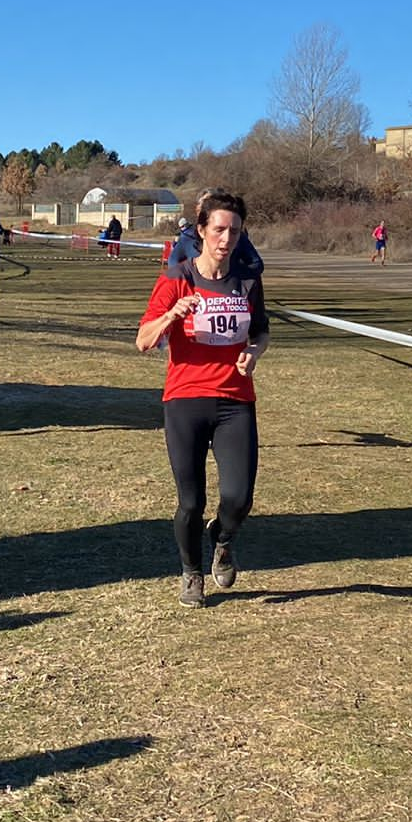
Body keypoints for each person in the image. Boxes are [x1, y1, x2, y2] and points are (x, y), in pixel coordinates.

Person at [136, 191, 268, 608]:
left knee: (239, 497)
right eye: (218, 230)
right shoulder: (177, 278)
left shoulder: (246, 280)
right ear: (201, 232)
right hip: (185, 400)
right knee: (190, 502)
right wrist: (173, 314)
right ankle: (192, 572)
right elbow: (143, 340)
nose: (226, 239)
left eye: (234, 231)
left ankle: (223, 539)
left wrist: (255, 351)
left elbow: (261, 331)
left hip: (234, 399)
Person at [168, 188, 263, 275]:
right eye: (205, 205)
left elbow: (256, 264)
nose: (226, 238)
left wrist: (234, 278)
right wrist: (192, 279)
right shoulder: (188, 236)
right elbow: (172, 263)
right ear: (197, 209)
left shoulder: (237, 236)